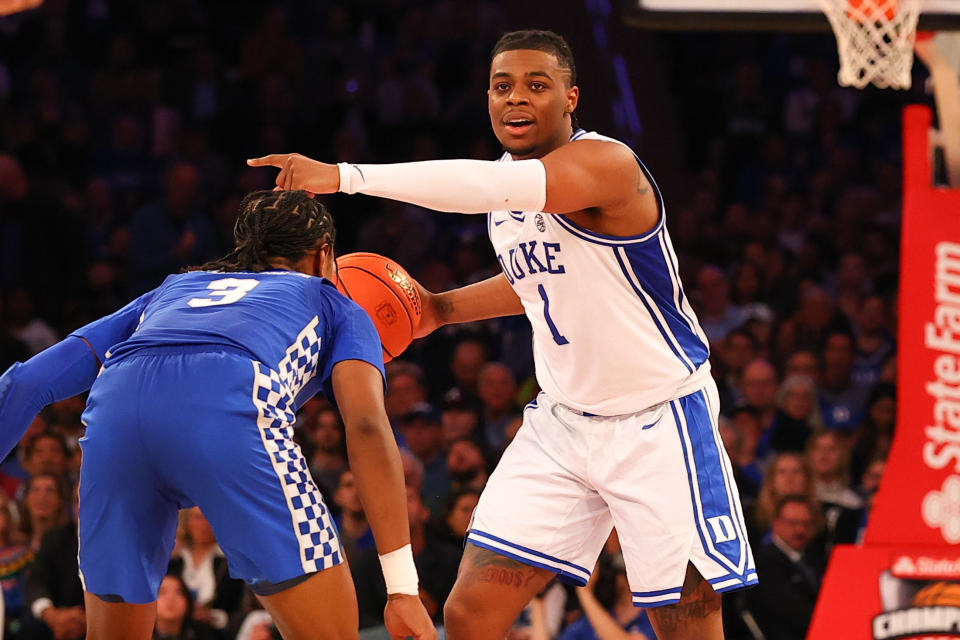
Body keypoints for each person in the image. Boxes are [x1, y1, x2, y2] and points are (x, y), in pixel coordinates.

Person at [250, 29, 754, 640]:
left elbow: (489, 188)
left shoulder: (607, 165)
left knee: (684, 626)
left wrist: (345, 175)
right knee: (469, 613)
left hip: (659, 420)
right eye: (501, 86)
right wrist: (438, 308)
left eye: (536, 86)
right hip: (563, 425)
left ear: (572, 98)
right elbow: (539, 276)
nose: (516, 98)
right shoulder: (508, 187)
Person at [0, 190, 435, 640]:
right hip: (229, 406)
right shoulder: (332, 301)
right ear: (326, 255)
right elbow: (364, 424)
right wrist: (402, 587)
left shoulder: (172, 289)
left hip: (115, 416)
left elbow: (25, 383)